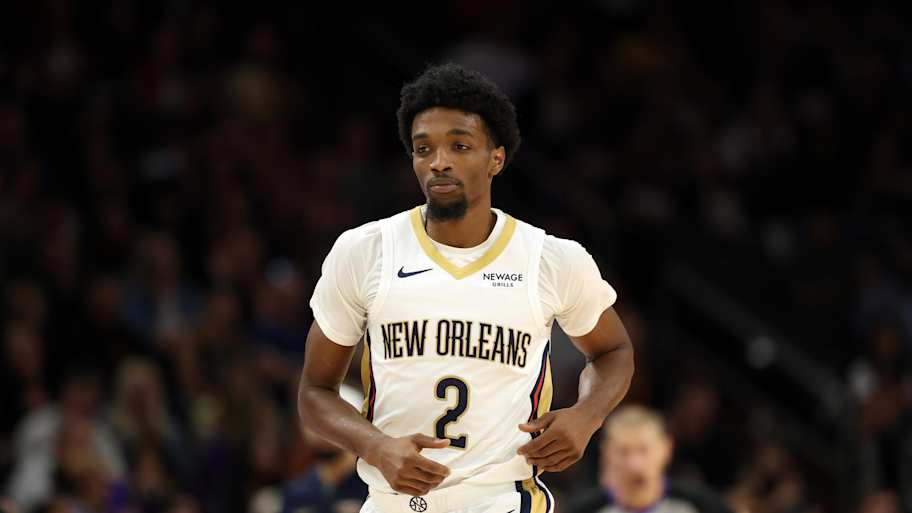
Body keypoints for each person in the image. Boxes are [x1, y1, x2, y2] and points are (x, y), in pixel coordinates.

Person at [297, 63, 634, 513]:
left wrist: (586, 416)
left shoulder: (550, 258)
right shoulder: (365, 251)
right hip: (392, 502)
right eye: (423, 148)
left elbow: (614, 351)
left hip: (503, 499)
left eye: (459, 145)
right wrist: (374, 445)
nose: (439, 161)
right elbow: (314, 392)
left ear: (496, 158)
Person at [567, 405, 734, 513]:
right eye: (623, 452)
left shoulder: (701, 505)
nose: (634, 464)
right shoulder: (583, 509)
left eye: (643, 450)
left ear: (666, 449)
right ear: (606, 453)